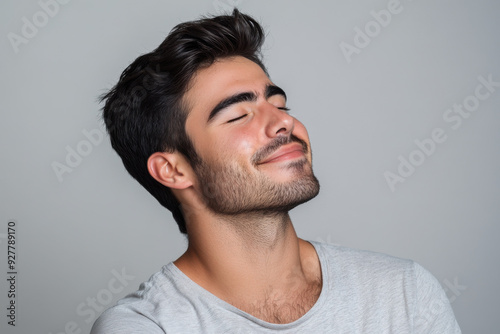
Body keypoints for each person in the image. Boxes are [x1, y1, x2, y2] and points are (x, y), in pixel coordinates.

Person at [91, 9, 461, 333]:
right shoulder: (147, 326)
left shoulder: (403, 292)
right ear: (173, 170)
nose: (283, 123)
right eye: (238, 115)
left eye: (280, 104)